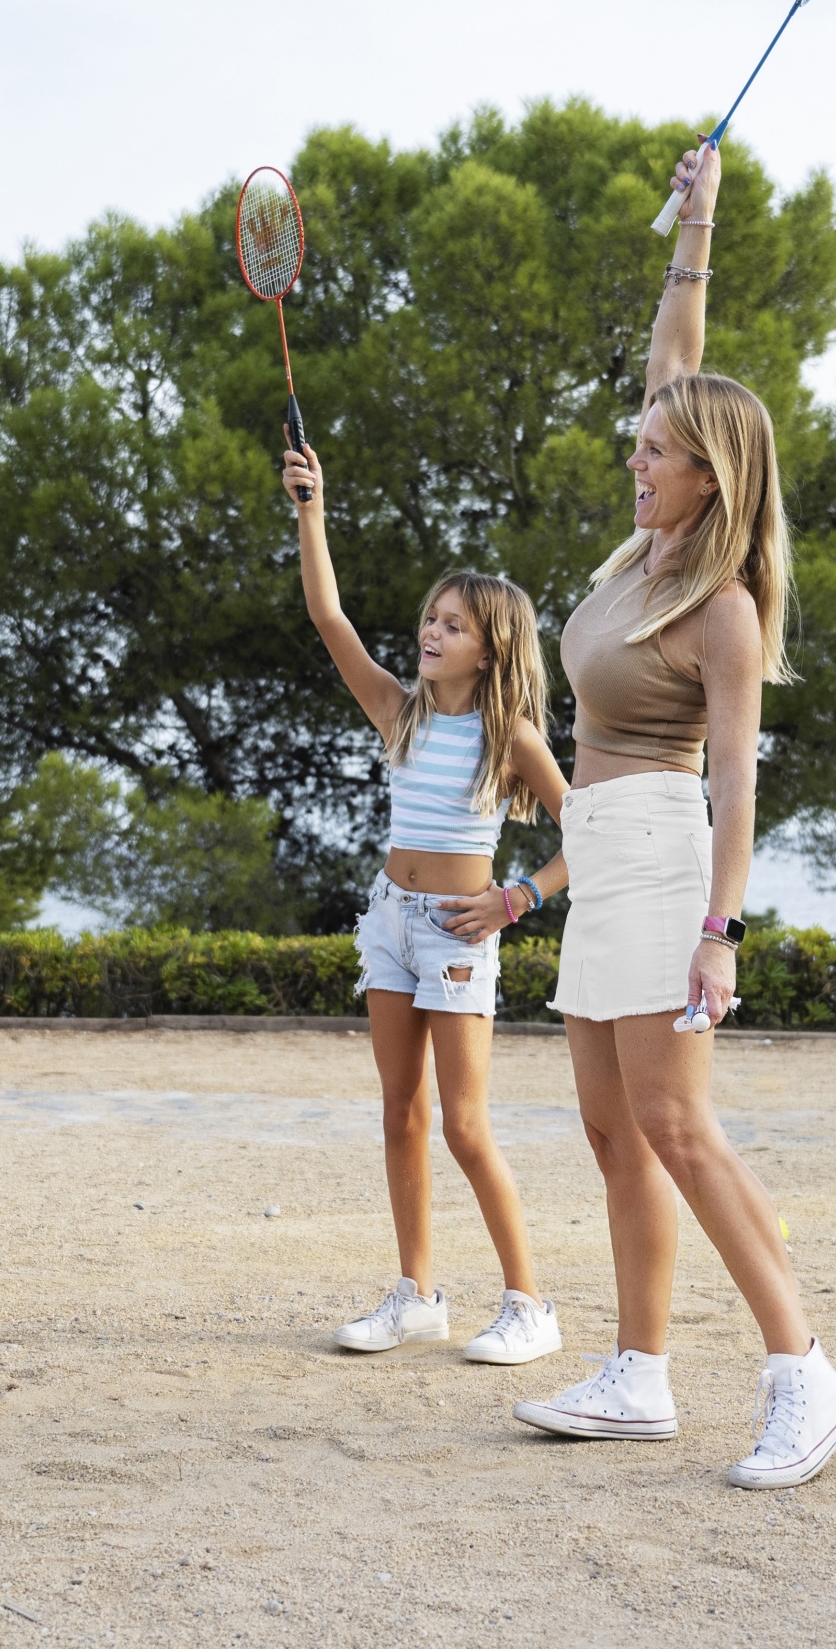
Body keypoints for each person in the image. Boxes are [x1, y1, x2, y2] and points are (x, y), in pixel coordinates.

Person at [509, 142, 836, 1489]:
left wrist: (721, 931)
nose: (635, 454)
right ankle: (639, 1374)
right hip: (603, 860)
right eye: (641, 440)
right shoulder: (638, 559)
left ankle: (803, 1372)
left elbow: (736, 782)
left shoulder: (719, 609)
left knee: (676, 1127)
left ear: (708, 473)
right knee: (614, 1132)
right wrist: (695, 222)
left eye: (655, 448)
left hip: (665, 859)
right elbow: (678, 351)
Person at [279, 441, 571, 1367]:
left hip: (456, 933)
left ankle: (530, 1304)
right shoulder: (398, 710)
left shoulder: (511, 735)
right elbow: (327, 616)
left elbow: (587, 834)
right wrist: (312, 511)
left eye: (452, 625)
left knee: (464, 1125)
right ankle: (416, 1298)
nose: (430, 633)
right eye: (429, 619)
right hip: (389, 923)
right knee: (399, 1112)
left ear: (491, 648)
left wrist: (518, 897)